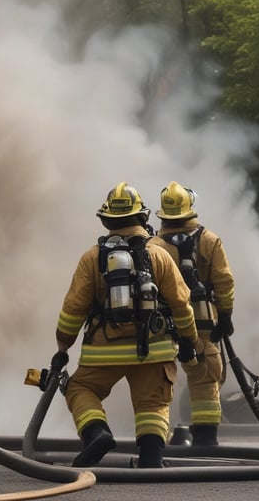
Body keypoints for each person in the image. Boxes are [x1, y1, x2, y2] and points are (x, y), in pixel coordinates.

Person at [54, 182, 202, 468]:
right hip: (154, 350)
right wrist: (188, 342)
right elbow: (182, 304)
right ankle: (151, 460)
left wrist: (63, 347)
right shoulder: (159, 255)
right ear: (142, 217)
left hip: (103, 350)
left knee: (80, 388)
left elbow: (73, 309)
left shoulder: (91, 258)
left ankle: (96, 432)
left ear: (106, 220)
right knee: (152, 404)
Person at [151, 181, 235, 446]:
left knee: (158, 379)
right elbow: (224, 282)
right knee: (205, 376)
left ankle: (155, 439)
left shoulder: (153, 246)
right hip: (203, 321)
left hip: (162, 324)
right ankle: (205, 439)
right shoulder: (209, 240)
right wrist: (225, 315)